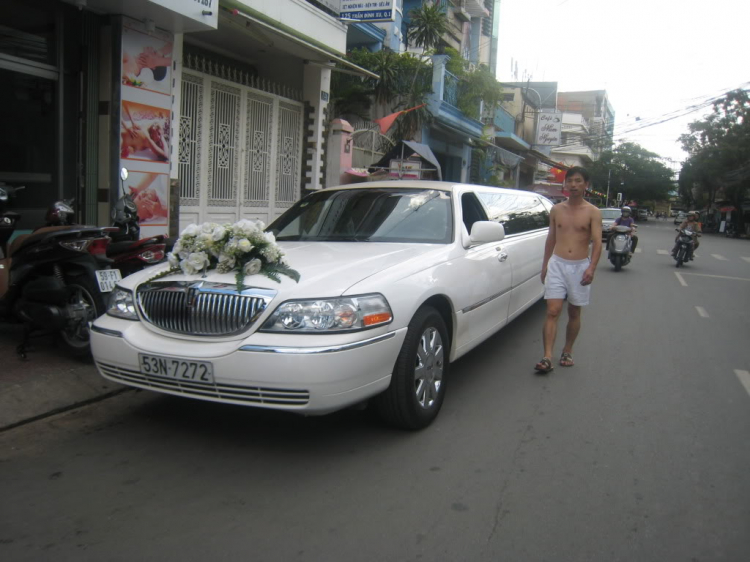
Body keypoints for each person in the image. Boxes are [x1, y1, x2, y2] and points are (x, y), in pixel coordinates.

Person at [535, 166, 603, 374]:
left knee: (574, 311)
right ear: (565, 184)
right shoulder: (557, 210)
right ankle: (547, 356)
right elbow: (551, 239)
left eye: (578, 181)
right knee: (553, 310)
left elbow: (598, 242)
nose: (573, 185)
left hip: (580, 267)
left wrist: (591, 267)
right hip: (557, 264)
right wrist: (545, 265)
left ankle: (567, 350)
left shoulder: (593, 212)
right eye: (570, 181)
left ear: (586, 185)